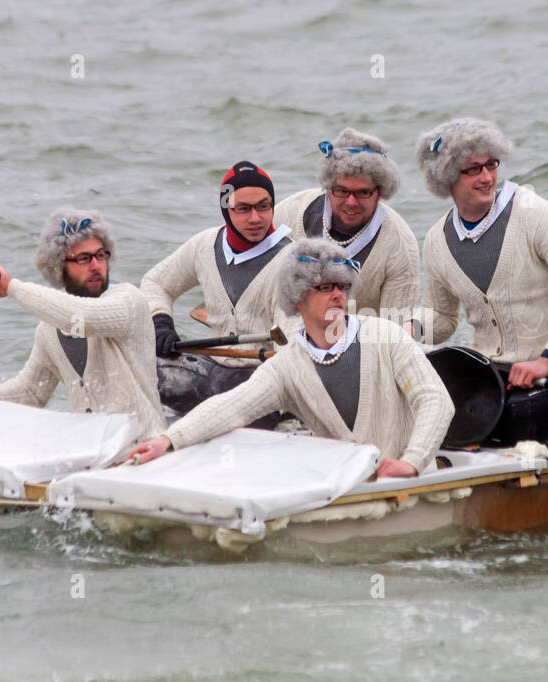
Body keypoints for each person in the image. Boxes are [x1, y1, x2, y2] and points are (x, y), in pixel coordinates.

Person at [128, 238, 454, 478]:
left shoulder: (386, 336)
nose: (338, 294)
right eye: (324, 286)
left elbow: (436, 400)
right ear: (296, 296)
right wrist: (167, 441)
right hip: (347, 482)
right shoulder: (286, 367)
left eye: (342, 285)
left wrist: (411, 462)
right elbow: (232, 407)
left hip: (416, 478)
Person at [408, 118, 548, 448]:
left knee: (524, 413)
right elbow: (442, 320)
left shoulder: (534, 215)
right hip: (491, 370)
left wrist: (546, 358)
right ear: (446, 178)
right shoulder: (435, 241)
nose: (487, 177)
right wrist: (408, 330)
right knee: (429, 407)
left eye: (491, 165)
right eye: (473, 170)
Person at [0, 209, 167, 441]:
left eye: (100, 255)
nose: (95, 265)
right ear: (59, 268)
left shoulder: (128, 301)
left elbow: (81, 318)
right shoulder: (48, 330)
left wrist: (12, 287)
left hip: (146, 447)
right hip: (89, 452)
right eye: (84, 258)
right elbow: (30, 392)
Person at [141, 161, 293, 415]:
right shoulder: (204, 245)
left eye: (263, 207)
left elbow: (289, 346)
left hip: (265, 376)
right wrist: (161, 323)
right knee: (143, 371)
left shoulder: (293, 260)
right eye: (243, 209)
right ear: (226, 210)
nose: (255, 218)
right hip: (211, 368)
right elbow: (155, 283)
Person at [276, 128, 420, 324]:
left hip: (363, 346)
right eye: (341, 191)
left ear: (380, 192)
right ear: (327, 186)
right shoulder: (289, 214)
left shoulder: (401, 244)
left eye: (362, 193)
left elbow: (393, 330)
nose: (351, 202)